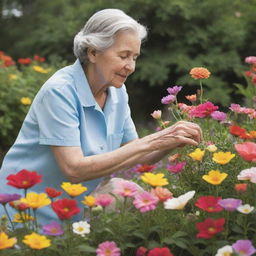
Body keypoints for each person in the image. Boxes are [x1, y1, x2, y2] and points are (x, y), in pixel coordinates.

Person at [0, 9, 202, 223]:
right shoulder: (59, 91)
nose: (131, 66)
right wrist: (156, 140)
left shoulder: (117, 92)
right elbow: (74, 169)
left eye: (135, 58)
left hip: (71, 216)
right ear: (93, 52)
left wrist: (173, 140)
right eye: (123, 56)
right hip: (22, 215)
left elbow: (134, 153)